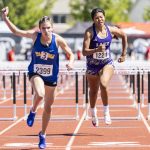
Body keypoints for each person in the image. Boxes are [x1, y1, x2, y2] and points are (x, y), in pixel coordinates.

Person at [1, 7, 74, 149]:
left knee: (48, 107)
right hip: (36, 73)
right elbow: (16, 32)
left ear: (52, 28)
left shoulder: (57, 40)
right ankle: (33, 111)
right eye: (43, 28)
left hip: (51, 76)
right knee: (40, 94)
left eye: (48, 28)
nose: (46, 31)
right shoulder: (35, 36)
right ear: (40, 29)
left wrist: (70, 63)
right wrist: (5, 18)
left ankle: (42, 134)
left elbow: (70, 53)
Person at [82, 8, 127, 127]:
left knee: (104, 84)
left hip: (107, 62)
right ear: (93, 19)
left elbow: (123, 35)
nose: (99, 19)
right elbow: (84, 52)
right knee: (93, 92)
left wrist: (123, 54)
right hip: (92, 65)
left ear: (104, 17)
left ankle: (106, 112)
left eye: (101, 17)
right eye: (97, 18)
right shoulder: (89, 32)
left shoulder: (110, 29)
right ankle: (93, 112)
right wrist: (96, 49)